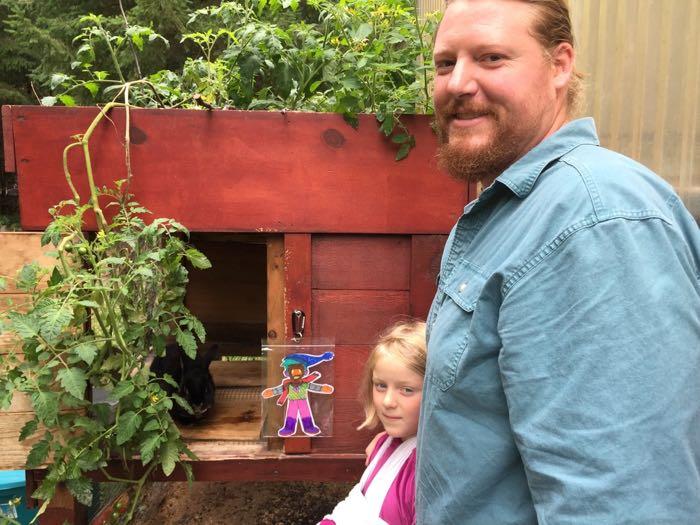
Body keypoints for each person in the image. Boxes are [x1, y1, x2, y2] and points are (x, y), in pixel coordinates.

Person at [418, 1, 700, 524]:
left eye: (491, 57)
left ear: (560, 65)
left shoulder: (594, 223)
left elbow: (620, 504)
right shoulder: (519, 207)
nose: (457, 83)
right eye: (444, 63)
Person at [319, 321, 427, 525]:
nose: (387, 402)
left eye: (407, 390)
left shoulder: (426, 471)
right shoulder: (383, 445)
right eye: (380, 385)